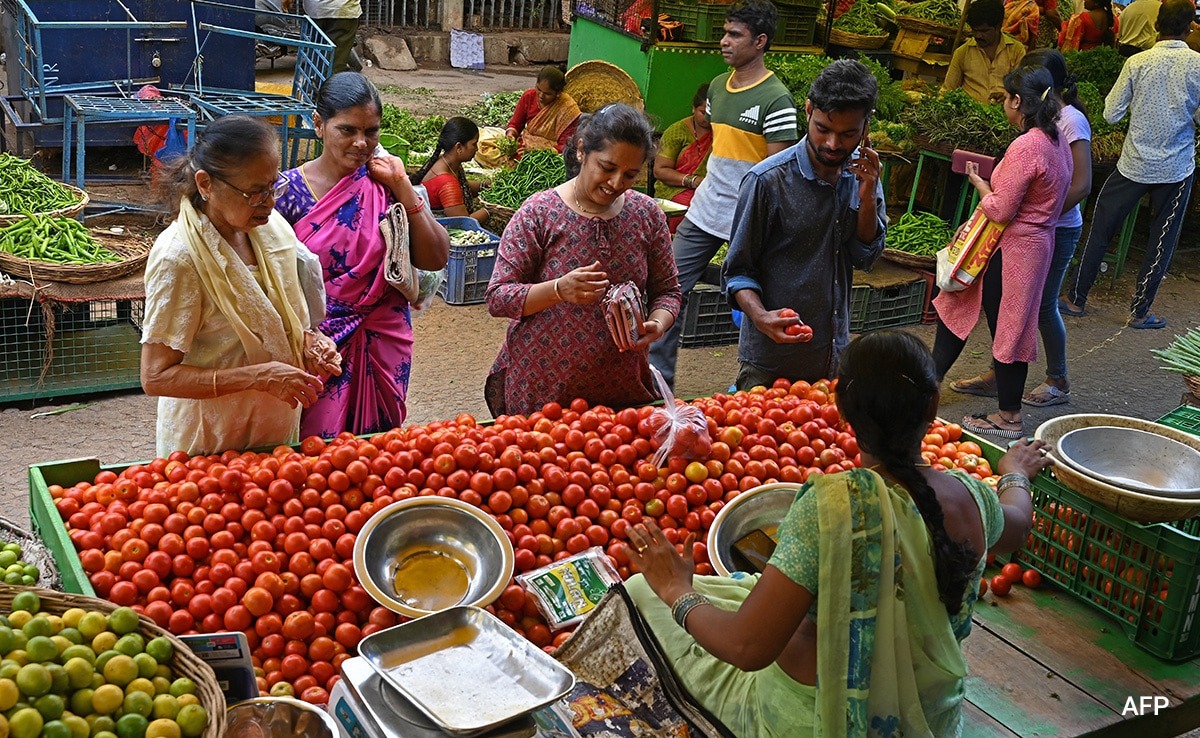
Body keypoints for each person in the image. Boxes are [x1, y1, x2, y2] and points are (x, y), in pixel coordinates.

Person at [625, 329, 1050, 738]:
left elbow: (746, 649)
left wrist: (675, 590)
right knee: (737, 590)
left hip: (814, 721)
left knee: (641, 594)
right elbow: (1017, 525)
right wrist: (1015, 474)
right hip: (931, 717)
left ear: (842, 409)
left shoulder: (832, 507)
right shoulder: (972, 496)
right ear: (933, 404)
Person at [140, 116, 341, 457]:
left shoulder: (270, 228)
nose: (269, 202)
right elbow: (156, 376)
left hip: (274, 433)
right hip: (210, 443)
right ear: (205, 184)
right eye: (254, 192)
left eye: (273, 187)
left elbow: (277, 317)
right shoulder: (179, 258)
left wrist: (309, 340)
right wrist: (257, 377)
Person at [275, 72, 450, 438]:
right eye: (348, 130)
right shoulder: (286, 193)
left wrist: (402, 185)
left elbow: (435, 257)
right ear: (319, 124)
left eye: (371, 132)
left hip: (383, 336)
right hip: (319, 344)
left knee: (379, 451)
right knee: (316, 452)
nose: (361, 143)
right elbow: (270, 279)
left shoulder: (386, 184)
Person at [484, 104, 682, 417]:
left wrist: (657, 323)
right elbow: (498, 297)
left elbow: (669, 292)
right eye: (607, 167)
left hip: (622, 388)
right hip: (543, 387)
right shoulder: (540, 213)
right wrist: (558, 290)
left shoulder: (647, 215)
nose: (616, 183)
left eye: (630, 174)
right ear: (581, 152)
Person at [648, 0, 799, 389]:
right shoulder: (716, 87)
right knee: (668, 291)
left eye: (735, 35)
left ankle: (753, 382)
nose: (724, 41)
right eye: (725, 32)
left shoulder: (777, 100)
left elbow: (777, 174)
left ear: (761, 41)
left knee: (758, 302)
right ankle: (656, 382)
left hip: (750, 217)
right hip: (705, 210)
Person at [723, 60, 885, 389]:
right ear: (808, 111)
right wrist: (761, 317)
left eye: (848, 134)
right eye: (823, 129)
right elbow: (738, 271)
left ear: (865, 126)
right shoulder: (766, 182)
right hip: (771, 363)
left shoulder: (864, 173)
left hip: (833, 357)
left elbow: (865, 256)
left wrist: (867, 199)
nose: (833, 144)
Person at [933, 66, 1073, 439]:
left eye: (1005, 99)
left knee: (1009, 328)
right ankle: (929, 382)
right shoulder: (1056, 140)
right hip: (1031, 246)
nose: (1003, 106)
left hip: (1014, 250)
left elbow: (1000, 209)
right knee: (965, 304)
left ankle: (1009, 417)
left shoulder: (1026, 145)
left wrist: (981, 184)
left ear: (1017, 102)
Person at [951, 51, 1091, 408]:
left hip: (1050, 231)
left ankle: (1051, 383)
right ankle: (1001, 381)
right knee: (1015, 315)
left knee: (1036, 310)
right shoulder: (1047, 130)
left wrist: (1035, 215)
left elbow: (1081, 184)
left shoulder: (1060, 127)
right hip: (1037, 232)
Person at [1062, 0, 1200, 331]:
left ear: (1156, 26)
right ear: (1190, 27)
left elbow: (1111, 113)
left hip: (1133, 162)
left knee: (1101, 227)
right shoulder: (1197, 65)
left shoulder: (1137, 62)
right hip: (1176, 168)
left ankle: (1076, 299)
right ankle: (1140, 313)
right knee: (1162, 238)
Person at [653, 84, 713, 234]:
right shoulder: (677, 132)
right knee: (689, 204)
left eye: (712, 113)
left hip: (709, 189)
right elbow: (660, 170)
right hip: (674, 189)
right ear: (693, 108)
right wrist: (692, 181)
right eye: (702, 112)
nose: (707, 118)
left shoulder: (722, 132)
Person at [944, 0, 1027, 104]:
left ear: (998, 27)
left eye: (984, 31)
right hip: (969, 114)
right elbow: (948, 90)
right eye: (975, 30)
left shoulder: (1016, 50)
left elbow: (1022, 89)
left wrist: (1007, 95)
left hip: (1004, 114)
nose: (978, 35)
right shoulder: (962, 52)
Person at [412, 116, 490, 225]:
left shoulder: (444, 161)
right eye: (474, 144)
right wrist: (490, 210)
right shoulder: (447, 183)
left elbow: (463, 188)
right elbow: (464, 223)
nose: (476, 149)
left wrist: (485, 186)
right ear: (459, 147)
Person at [504, 66, 581, 154]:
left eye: (547, 94)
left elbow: (565, 145)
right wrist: (511, 135)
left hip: (551, 154)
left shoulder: (568, 109)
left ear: (558, 93)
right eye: (539, 89)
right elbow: (515, 124)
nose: (541, 96)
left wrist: (536, 153)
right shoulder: (529, 96)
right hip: (526, 145)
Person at [287, 0, 362, 74]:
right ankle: (331, 80)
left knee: (316, 53)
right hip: (343, 10)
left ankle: (315, 80)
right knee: (336, 61)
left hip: (316, 10)